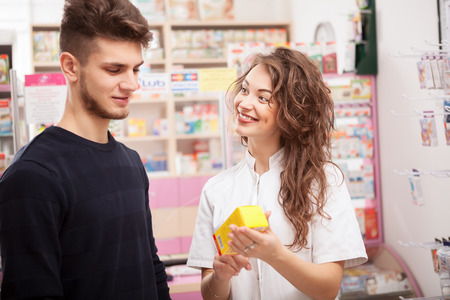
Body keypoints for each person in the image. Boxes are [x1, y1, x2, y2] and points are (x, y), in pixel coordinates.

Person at [0, 0, 171, 299]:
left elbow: (150, 265)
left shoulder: (131, 163)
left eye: (135, 69)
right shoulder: (33, 176)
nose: (132, 84)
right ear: (70, 66)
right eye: (114, 69)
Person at [187, 47, 368, 299]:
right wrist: (220, 277)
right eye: (244, 90)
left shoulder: (323, 181)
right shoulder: (217, 188)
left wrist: (275, 255)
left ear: (292, 114)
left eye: (262, 98)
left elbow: (328, 288)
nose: (244, 103)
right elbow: (210, 294)